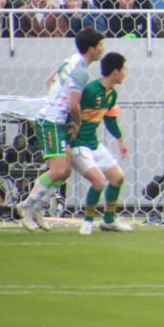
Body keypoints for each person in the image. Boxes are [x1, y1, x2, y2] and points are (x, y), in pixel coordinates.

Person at [17, 28, 106, 231]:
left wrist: (56, 100)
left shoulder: (71, 60)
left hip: (56, 120)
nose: (103, 49)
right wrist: (77, 122)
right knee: (57, 170)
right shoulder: (81, 71)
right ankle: (26, 207)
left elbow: (50, 80)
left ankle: (38, 208)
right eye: (101, 45)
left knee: (64, 171)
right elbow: (75, 106)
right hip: (51, 122)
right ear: (91, 48)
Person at [70, 52, 133, 235]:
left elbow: (110, 120)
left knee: (118, 178)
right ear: (115, 72)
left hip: (93, 144)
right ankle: (88, 221)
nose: (125, 73)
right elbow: (71, 110)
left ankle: (109, 220)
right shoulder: (90, 90)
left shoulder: (112, 94)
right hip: (78, 144)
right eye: (123, 69)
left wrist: (120, 140)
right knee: (99, 181)